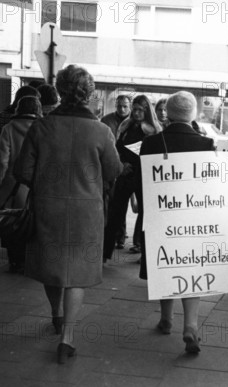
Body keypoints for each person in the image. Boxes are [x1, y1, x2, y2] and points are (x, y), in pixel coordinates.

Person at [14, 65, 122, 364]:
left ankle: (55, 314)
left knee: (52, 264)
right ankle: (68, 338)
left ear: (60, 90)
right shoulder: (102, 131)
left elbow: (22, 171)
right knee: (77, 272)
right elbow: (113, 171)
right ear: (88, 94)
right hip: (87, 212)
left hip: (49, 207)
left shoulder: (42, 127)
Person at [138, 91, 214, 353]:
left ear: (168, 113)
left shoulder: (150, 144)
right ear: (193, 114)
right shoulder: (207, 145)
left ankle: (166, 319)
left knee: (166, 263)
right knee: (191, 266)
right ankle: (191, 325)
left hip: (161, 216)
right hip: (195, 219)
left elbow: (141, 181)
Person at [103, 95, 162, 262]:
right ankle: (105, 252)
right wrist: (122, 163)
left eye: (140, 110)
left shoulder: (154, 129)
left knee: (145, 215)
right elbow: (117, 148)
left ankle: (145, 254)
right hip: (127, 173)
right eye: (134, 109)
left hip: (144, 175)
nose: (136, 113)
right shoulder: (126, 126)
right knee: (115, 212)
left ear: (146, 111)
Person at [0, 96, 43, 274]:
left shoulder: (8, 129)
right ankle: (30, 260)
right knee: (33, 223)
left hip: (12, 185)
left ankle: (15, 260)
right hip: (35, 185)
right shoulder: (43, 128)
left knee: (12, 223)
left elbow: (2, 161)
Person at [101, 94, 132, 249]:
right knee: (111, 202)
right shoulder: (106, 121)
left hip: (128, 167)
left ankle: (120, 236)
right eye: (119, 106)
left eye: (125, 106)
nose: (122, 109)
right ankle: (111, 236)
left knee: (121, 203)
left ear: (129, 106)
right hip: (111, 164)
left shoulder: (134, 123)